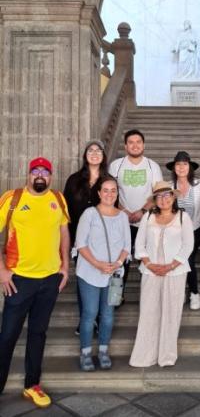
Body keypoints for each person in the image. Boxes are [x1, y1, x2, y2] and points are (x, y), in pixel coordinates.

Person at [0, 157, 70, 408]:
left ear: (50, 176)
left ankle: (32, 385)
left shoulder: (58, 200)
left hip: (49, 281)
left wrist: (65, 266)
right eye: (35, 171)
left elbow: (63, 232)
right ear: (29, 175)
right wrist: (2, 270)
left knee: (38, 334)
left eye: (45, 172)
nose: (40, 175)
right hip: (19, 281)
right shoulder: (13, 198)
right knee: (7, 336)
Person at [129, 181, 194, 367]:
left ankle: (166, 356)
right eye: (159, 196)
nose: (164, 200)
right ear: (155, 200)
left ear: (173, 197)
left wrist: (170, 266)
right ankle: (144, 355)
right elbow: (139, 243)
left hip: (176, 272)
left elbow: (188, 245)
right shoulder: (148, 217)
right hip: (150, 271)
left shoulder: (183, 217)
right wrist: (149, 263)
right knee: (149, 311)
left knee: (172, 313)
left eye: (167, 195)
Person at [73, 175, 130, 371]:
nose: (109, 194)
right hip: (90, 272)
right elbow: (81, 244)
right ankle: (86, 353)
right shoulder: (89, 214)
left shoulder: (122, 216)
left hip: (113, 274)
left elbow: (126, 246)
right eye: (105, 190)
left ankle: (104, 350)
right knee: (90, 313)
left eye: (113, 190)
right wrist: (98, 264)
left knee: (107, 315)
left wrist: (117, 263)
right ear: (98, 193)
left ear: (117, 193)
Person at [109, 129, 163, 293]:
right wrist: (123, 211)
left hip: (147, 222)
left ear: (143, 145)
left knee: (148, 262)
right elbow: (109, 192)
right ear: (125, 146)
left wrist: (142, 211)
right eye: (131, 142)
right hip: (120, 222)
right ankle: (115, 297)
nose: (135, 145)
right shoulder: (116, 166)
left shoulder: (152, 166)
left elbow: (158, 194)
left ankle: (149, 297)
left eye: (138, 142)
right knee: (119, 262)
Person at [63, 139, 108, 335]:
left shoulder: (109, 180)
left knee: (101, 278)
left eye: (99, 150)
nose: (95, 153)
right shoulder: (74, 180)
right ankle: (86, 321)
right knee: (84, 279)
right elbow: (65, 211)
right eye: (91, 150)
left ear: (103, 156)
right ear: (85, 155)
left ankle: (99, 319)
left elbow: (115, 208)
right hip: (79, 241)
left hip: (103, 241)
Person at [167, 151, 200, 310]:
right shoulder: (169, 186)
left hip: (195, 229)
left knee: (187, 259)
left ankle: (194, 293)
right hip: (175, 230)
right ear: (174, 168)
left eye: (184, 164)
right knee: (176, 260)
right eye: (178, 164)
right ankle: (180, 292)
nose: (181, 167)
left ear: (190, 167)